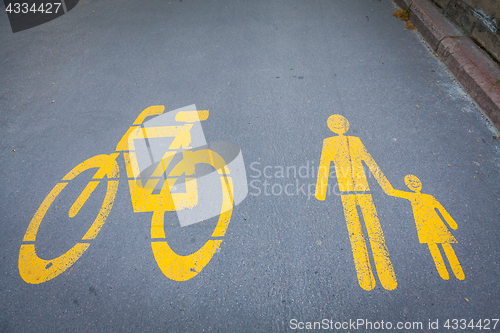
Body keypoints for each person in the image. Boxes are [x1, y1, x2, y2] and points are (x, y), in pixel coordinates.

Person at [315, 115, 397, 291]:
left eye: (341, 123)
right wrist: (320, 190)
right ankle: (365, 276)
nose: (339, 125)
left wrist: (385, 185)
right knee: (356, 231)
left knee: (374, 229)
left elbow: (369, 161)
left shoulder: (356, 140)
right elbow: (324, 165)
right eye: (335, 124)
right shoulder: (328, 142)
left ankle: (386, 274)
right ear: (330, 126)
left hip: (363, 188)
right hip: (346, 191)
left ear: (345, 125)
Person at [389, 174, 464, 280]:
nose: (414, 185)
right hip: (424, 225)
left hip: (436, 223)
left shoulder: (429, 197)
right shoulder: (412, 196)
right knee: (433, 246)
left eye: (416, 182)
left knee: (446, 245)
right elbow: (392, 191)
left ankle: (457, 270)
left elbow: (441, 210)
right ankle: (443, 271)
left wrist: (451, 223)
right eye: (411, 183)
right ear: (408, 186)